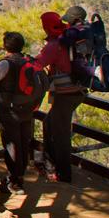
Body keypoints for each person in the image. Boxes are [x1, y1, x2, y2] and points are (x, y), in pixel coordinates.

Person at [0, 31, 39, 194]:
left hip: (10, 109)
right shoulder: (28, 61)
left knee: (12, 144)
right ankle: (18, 177)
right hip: (27, 109)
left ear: (5, 46)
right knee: (23, 143)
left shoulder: (6, 63)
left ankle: (15, 182)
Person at [37, 10, 86, 182]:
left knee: (61, 134)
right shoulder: (68, 37)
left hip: (65, 93)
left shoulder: (55, 43)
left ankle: (63, 174)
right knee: (49, 123)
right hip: (77, 91)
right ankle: (49, 165)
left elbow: (37, 64)